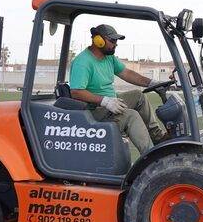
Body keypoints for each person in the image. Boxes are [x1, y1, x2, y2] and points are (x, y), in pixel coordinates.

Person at [69, 23, 161, 155]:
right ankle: (152, 157)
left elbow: (126, 73)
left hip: (109, 104)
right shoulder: (83, 62)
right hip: (93, 111)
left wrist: (151, 82)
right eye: (112, 40)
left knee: (138, 96)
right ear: (98, 40)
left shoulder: (109, 58)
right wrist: (105, 101)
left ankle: (158, 138)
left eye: (116, 41)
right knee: (131, 115)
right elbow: (76, 92)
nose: (115, 44)